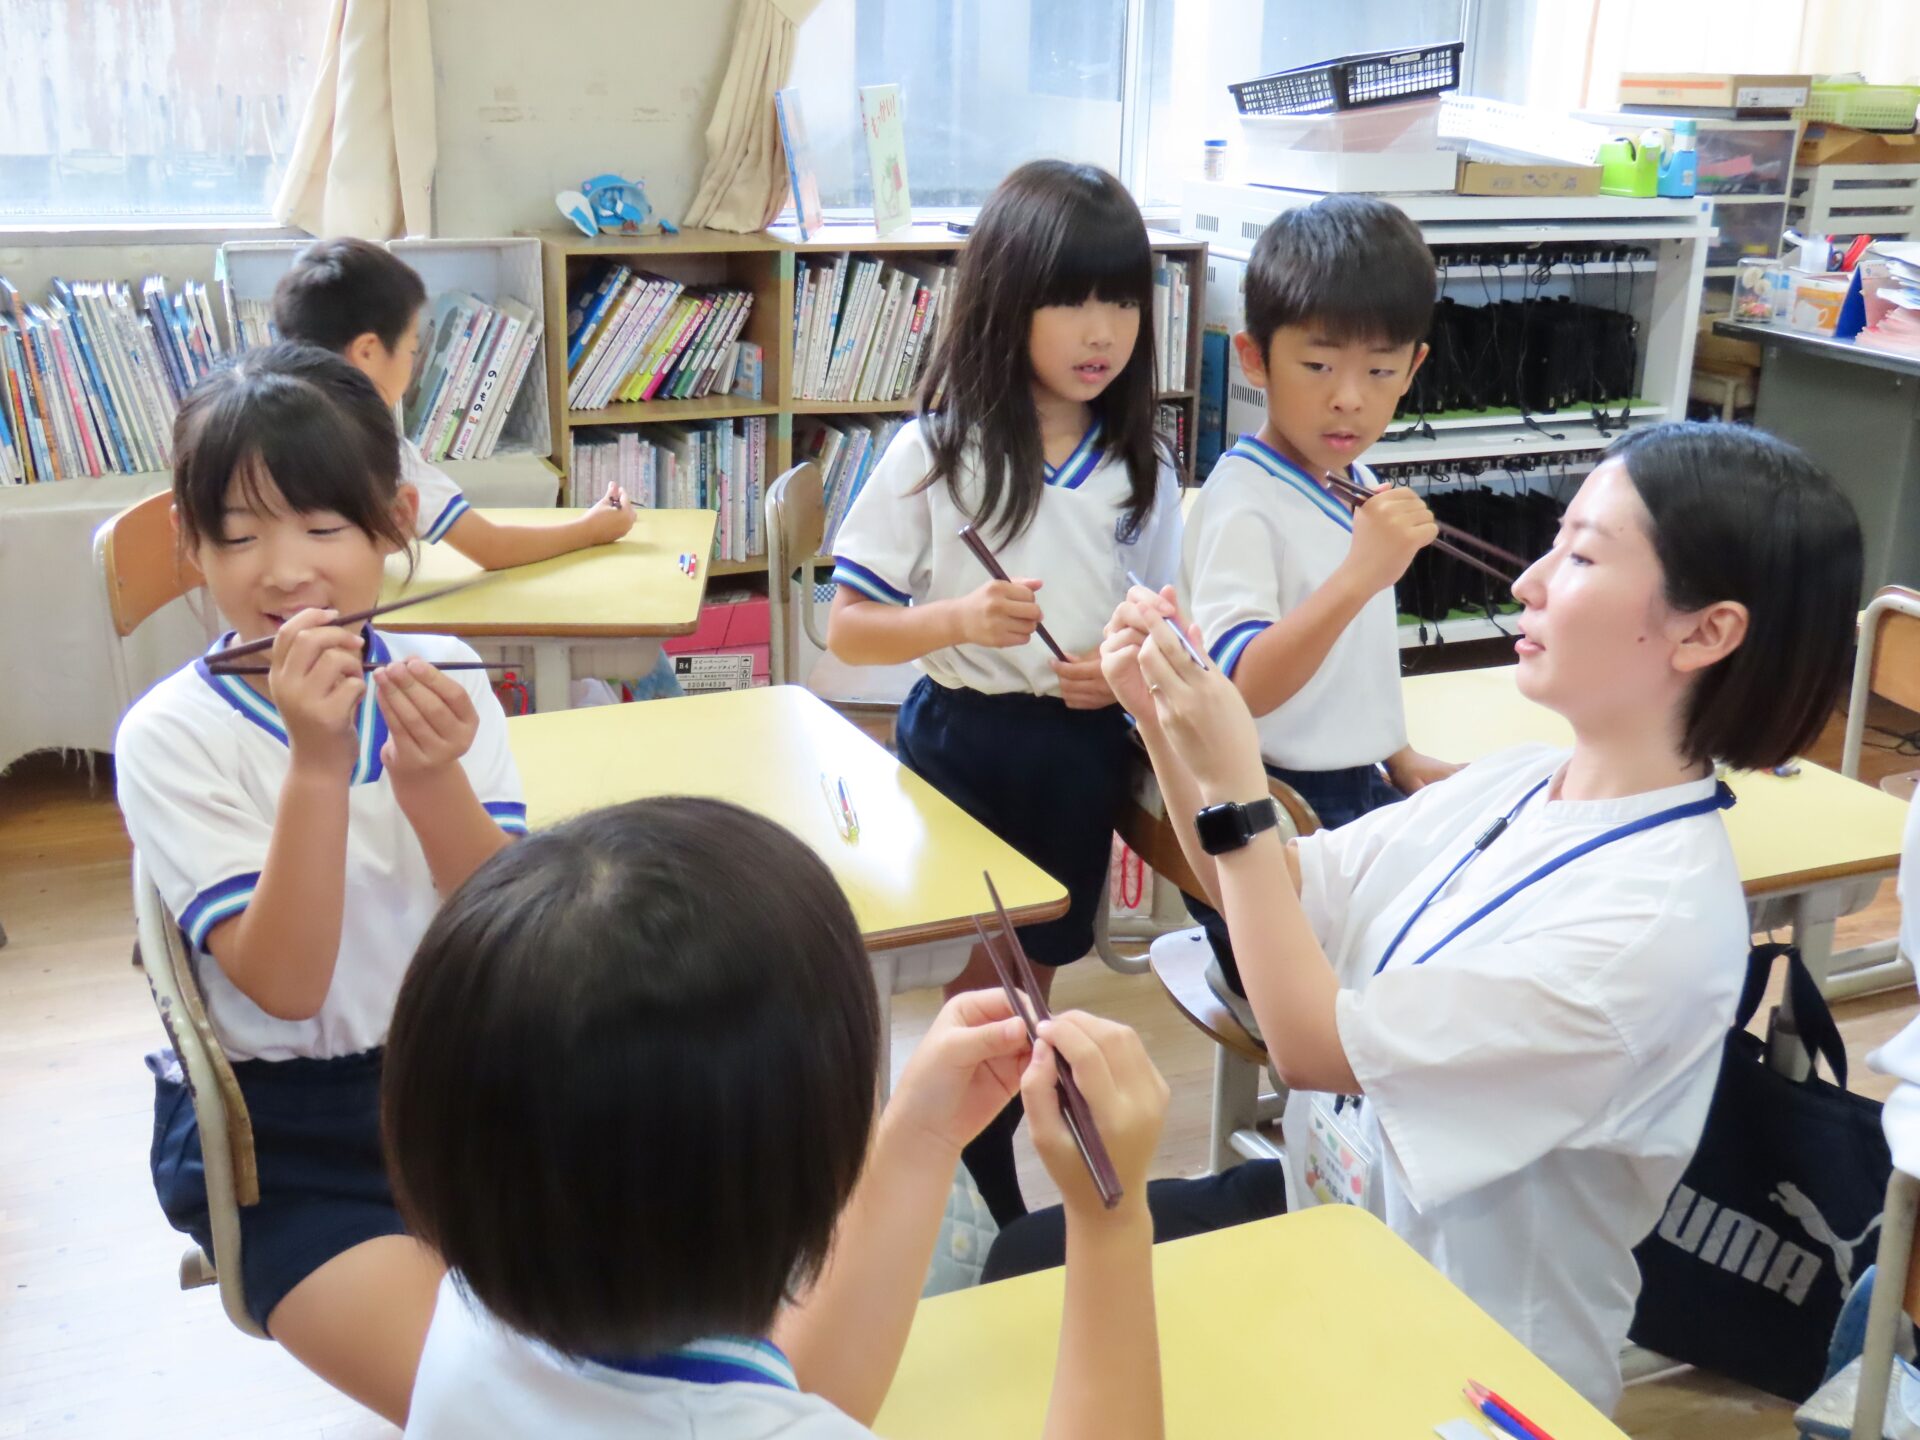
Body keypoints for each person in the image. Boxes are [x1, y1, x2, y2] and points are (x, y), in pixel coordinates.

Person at [991, 421, 1863, 1413]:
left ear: (1706, 632)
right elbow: (1271, 884)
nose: (1529, 582)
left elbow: (1309, 1047)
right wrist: (1161, 718)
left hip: (1460, 1358)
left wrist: (1235, 781)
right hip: (1336, 1222)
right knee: (1031, 1268)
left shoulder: (1649, 929)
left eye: (1581, 557)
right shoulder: (1523, 780)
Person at [387, 796, 1170, 1439]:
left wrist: (921, 1135)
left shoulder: (474, 1319)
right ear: (816, 1189)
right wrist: (1112, 1223)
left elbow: (801, 1396)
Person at [116, 342, 527, 1423]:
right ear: (190, 544)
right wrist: (316, 764)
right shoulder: (170, 735)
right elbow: (288, 985)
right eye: (238, 535)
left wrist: (431, 781)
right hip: (289, 1141)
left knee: (651, 1340)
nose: (284, 570)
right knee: (493, 1407)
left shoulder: (444, 675)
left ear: (394, 522)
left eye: (323, 527)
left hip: (470, 1092)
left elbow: (513, 939)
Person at [826, 159, 1182, 1223]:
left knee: (1035, 988)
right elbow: (849, 626)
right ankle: (974, 1195)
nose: (1101, 330)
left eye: (1122, 301)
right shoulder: (935, 453)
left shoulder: (1143, 464)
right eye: (1070, 300)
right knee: (990, 998)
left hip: (1077, 753)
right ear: (1005, 301)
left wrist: (1121, 671)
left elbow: (1166, 619)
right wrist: (957, 621)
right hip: (962, 745)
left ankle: (980, 1186)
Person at [1181, 194, 1456, 1033]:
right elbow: (1243, 688)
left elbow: (1353, 661)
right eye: (1317, 366)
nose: (1348, 400)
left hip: (1351, 788)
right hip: (1278, 813)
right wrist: (1360, 576)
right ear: (1254, 358)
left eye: (1380, 372)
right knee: (1437, 986)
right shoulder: (1242, 500)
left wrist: (1397, 753)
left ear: (1414, 367)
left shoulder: (1355, 482)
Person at [272, 237, 635, 567]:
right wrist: (591, 529)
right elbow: (492, 548)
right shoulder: (378, 449)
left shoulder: (258, 421)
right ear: (367, 352)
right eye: (412, 349)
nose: (414, 363)